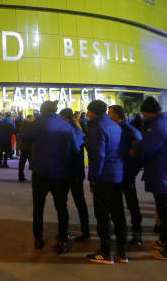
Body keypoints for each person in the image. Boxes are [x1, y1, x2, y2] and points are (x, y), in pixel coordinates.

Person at [22, 101, 76, 254]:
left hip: (41, 172)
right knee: (61, 208)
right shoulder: (66, 125)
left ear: (42, 110)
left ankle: (38, 238)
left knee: (38, 207)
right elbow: (75, 147)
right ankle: (63, 240)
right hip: (61, 173)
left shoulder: (39, 123)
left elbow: (25, 136)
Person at [135, 96, 167, 261]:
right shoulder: (166, 122)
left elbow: (149, 148)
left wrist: (137, 147)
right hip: (166, 172)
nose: (143, 117)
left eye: (144, 114)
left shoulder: (158, 125)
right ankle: (165, 240)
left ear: (149, 112)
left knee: (166, 213)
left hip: (164, 174)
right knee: (164, 211)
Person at [84, 100, 127, 264]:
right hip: (117, 175)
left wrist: (93, 178)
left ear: (94, 112)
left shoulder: (97, 128)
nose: (87, 114)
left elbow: (98, 156)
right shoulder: (115, 126)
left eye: (88, 111)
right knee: (118, 214)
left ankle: (105, 252)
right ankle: (122, 252)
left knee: (102, 216)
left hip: (104, 177)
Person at [109, 105, 143, 246]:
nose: (108, 115)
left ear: (117, 115)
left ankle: (136, 232)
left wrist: (133, 168)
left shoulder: (128, 130)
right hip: (117, 172)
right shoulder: (120, 128)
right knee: (118, 204)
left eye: (110, 113)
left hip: (126, 172)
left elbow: (139, 148)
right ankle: (122, 231)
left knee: (131, 204)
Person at [59, 108, 89, 241]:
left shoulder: (71, 130)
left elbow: (75, 148)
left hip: (71, 171)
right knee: (77, 201)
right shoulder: (76, 128)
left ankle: (81, 231)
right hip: (75, 171)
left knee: (72, 202)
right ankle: (82, 230)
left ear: (65, 117)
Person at [17, 114, 35, 182]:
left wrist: (19, 148)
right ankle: (34, 177)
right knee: (32, 164)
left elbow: (19, 140)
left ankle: (21, 177)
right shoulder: (30, 131)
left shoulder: (21, 130)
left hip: (23, 148)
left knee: (22, 163)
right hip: (29, 148)